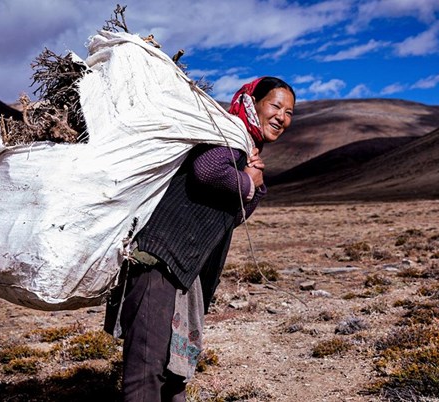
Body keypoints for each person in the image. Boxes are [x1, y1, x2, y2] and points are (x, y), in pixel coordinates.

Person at [104, 76, 295, 401]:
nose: (282, 117)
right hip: (158, 262)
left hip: (183, 272)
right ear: (253, 102)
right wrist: (248, 183)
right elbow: (206, 171)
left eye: (290, 112)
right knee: (146, 372)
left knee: (171, 376)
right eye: (275, 106)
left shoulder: (243, 148)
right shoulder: (229, 134)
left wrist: (255, 184)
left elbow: (232, 217)